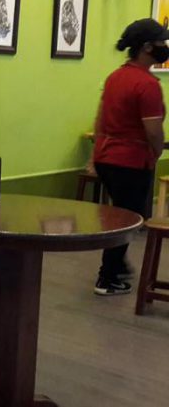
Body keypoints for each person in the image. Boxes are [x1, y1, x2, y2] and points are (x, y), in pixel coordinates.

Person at [92, 18, 168, 295]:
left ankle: (117, 265)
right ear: (147, 47)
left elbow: (100, 118)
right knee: (128, 220)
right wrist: (157, 150)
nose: (165, 46)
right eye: (161, 42)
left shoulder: (115, 77)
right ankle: (108, 278)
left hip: (106, 158)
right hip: (131, 161)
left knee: (120, 215)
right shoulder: (147, 85)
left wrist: (95, 153)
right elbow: (153, 130)